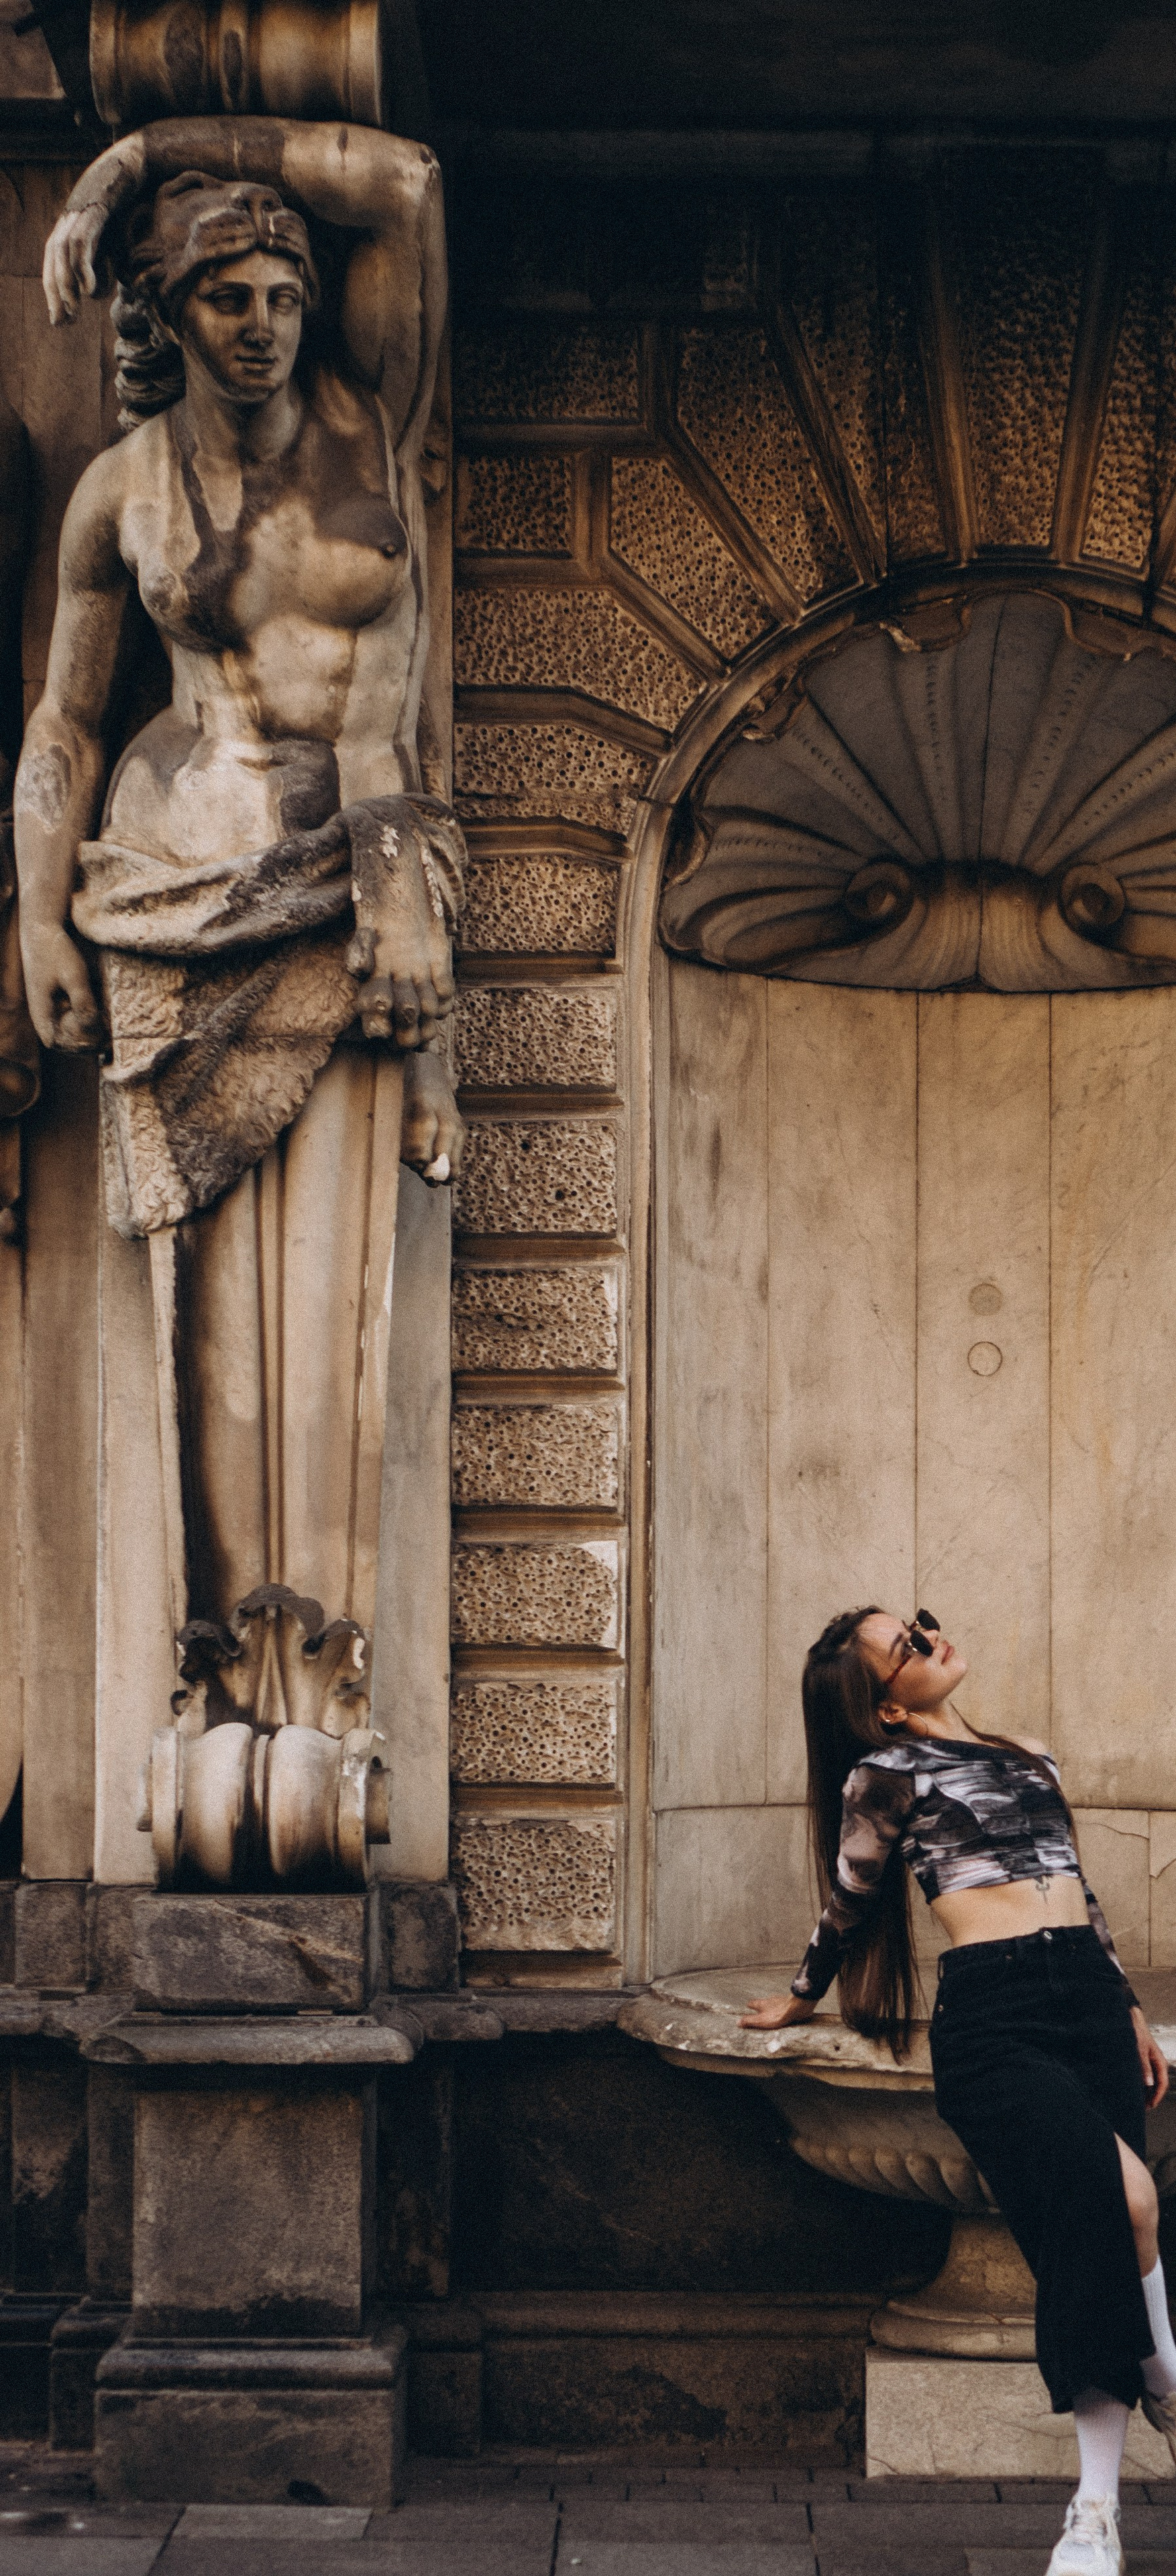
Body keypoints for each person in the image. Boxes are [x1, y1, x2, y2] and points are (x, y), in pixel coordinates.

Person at [14, 118, 463, 1678]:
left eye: (280, 289)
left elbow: (400, 186)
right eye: (225, 298)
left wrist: (130, 154)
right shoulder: (119, 494)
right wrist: (35, 920)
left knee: (337, 1283)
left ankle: (319, 1662)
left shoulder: (372, 416)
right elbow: (63, 723)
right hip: (171, 879)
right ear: (165, 314)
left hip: (355, 867)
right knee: (190, 1285)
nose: (262, 319)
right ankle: (213, 1663)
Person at [741, 1606, 1176, 2576]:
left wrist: (1130, 2005)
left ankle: (1094, 2511)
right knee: (1126, 2203)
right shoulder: (884, 1778)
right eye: (910, 1645)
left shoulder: (1029, 1757)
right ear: (887, 1709)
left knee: (1102, 2235)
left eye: (923, 1623)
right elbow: (850, 1898)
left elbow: (1078, 1890)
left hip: (1088, 2004)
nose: (935, 1639)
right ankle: (1175, 2384)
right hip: (995, 2014)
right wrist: (804, 1994)